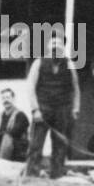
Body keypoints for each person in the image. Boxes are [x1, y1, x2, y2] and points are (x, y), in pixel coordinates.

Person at [26, 32, 80, 178]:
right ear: (49, 46)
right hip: (42, 110)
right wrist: (35, 109)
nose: (56, 48)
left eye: (59, 45)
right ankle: (32, 175)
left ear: (63, 48)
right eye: (53, 44)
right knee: (36, 145)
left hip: (61, 110)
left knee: (60, 145)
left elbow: (75, 88)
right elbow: (30, 86)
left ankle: (57, 176)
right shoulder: (39, 62)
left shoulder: (69, 64)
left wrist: (75, 108)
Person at [0, 88, 30, 161]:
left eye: (8, 97)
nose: (5, 100)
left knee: (6, 137)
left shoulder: (21, 115)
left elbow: (14, 132)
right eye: (3, 98)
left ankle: (1, 163)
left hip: (17, 151)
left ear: (13, 99)